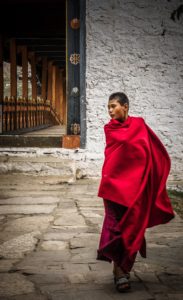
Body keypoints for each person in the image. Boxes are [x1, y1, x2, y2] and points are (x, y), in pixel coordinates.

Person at [97, 92, 175, 293]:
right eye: (108, 107)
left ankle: (122, 269)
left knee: (132, 228)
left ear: (125, 106)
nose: (110, 111)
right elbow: (114, 157)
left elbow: (152, 151)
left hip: (135, 189)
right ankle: (119, 272)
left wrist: (151, 178)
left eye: (113, 106)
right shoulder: (110, 129)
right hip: (114, 188)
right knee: (115, 229)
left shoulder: (139, 125)